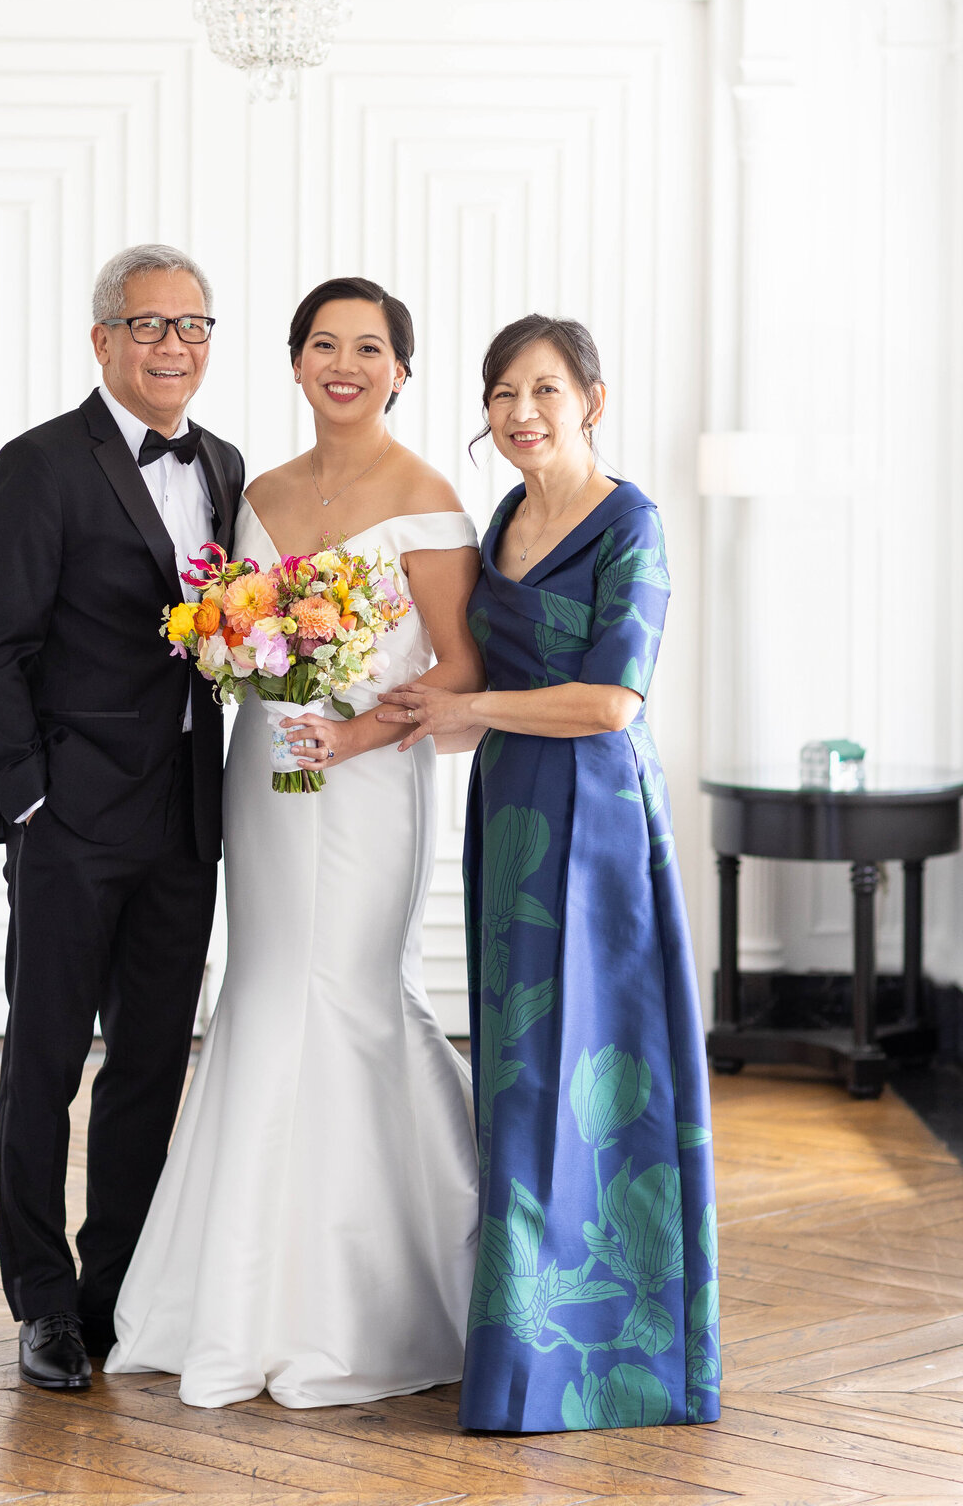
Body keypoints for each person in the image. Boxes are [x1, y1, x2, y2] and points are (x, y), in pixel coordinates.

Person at [106, 277, 486, 1407]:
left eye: (370, 348)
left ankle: (384, 1293)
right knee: (263, 990)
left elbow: (462, 670)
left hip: (370, 787)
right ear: (293, 360)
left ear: (402, 371)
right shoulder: (256, 490)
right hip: (266, 783)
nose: (346, 364)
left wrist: (358, 731)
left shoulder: (429, 499)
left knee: (358, 994)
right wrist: (241, 659)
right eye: (325, 343)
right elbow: (236, 635)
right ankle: (232, 1295)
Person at [377, 314, 720, 1435]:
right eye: (501, 395)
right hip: (514, 814)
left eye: (544, 391)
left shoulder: (634, 523)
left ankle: (603, 1367)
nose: (520, 413)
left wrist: (468, 707)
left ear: (592, 401)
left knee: (595, 1080)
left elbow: (615, 702)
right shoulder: (508, 518)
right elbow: (474, 689)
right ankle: (520, 1350)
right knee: (520, 1079)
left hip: (601, 820)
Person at [0, 244, 244, 1392]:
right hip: (70, 818)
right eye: (150, 326)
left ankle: (110, 1288)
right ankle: (38, 1303)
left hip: (185, 819)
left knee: (149, 1068)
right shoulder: (40, 465)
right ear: (103, 341)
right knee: (44, 1063)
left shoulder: (224, 464)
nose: (174, 346)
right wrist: (27, 795)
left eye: (194, 326)